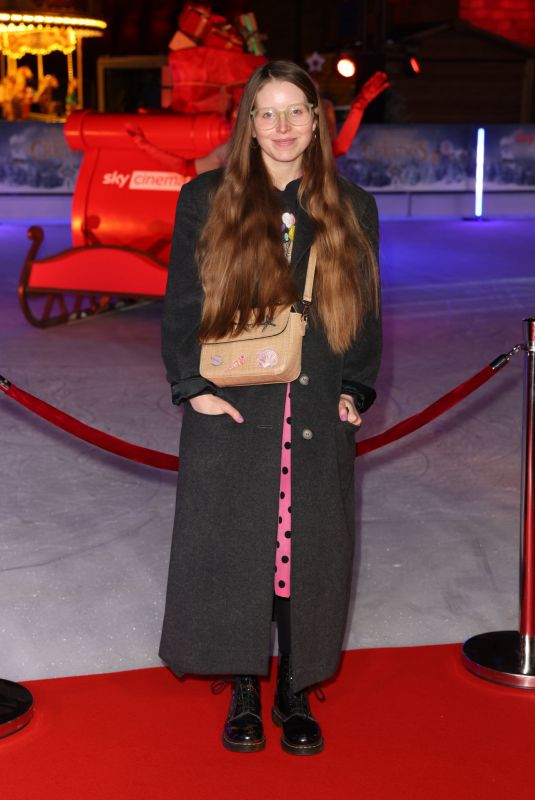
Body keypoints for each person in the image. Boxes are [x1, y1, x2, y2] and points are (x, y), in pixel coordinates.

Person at [159, 59, 382, 756]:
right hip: (235, 407)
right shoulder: (205, 198)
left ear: (316, 122)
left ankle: (293, 690)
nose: (282, 127)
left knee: (301, 554)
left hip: (314, 403)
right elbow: (182, 304)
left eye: (296, 111)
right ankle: (244, 691)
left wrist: (354, 388)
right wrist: (192, 387)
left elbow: (367, 313)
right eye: (267, 111)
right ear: (248, 122)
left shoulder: (352, 206)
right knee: (237, 550)